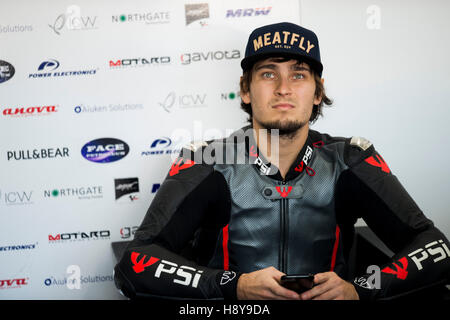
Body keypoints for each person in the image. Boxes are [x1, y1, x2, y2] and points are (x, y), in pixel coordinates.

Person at [113, 22, 450, 300]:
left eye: (299, 74)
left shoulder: (350, 159)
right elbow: (136, 262)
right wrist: (235, 286)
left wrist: (360, 290)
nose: (284, 88)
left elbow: (436, 247)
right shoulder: (207, 161)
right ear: (246, 90)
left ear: (317, 93)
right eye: (268, 74)